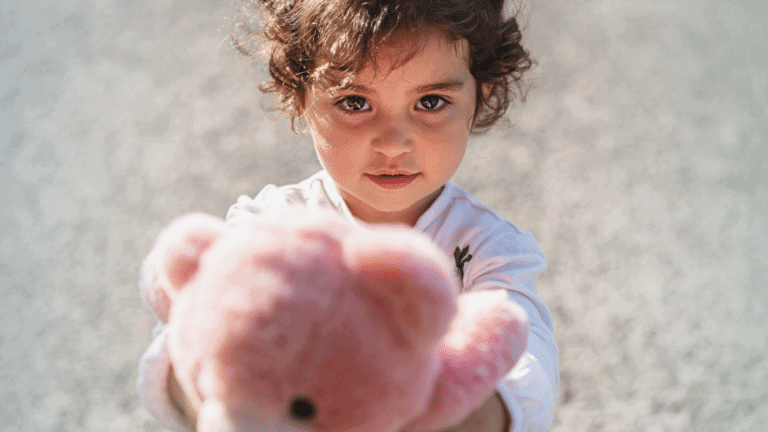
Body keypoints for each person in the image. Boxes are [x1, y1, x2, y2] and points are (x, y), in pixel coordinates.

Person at [138, 0, 559, 431]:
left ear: (481, 95)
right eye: (355, 103)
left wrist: (427, 406)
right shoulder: (269, 229)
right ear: (301, 97)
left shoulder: (489, 249)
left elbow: (526, 374)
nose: (394, 143)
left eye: (430, 102)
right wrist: (234, 400)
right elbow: (178, 347)